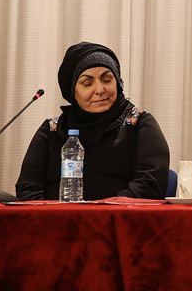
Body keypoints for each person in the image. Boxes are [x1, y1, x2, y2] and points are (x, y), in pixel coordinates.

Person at [16, 42, 170, 200]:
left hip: (121, 215)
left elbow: (150, 186)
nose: (100, 90)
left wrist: (103, 211)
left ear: (118, 83)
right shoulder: (53, 130)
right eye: (87, 83)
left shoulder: (139, 124)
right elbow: (28, 189)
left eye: (107, 80)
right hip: (57, 216)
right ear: (72, 91)